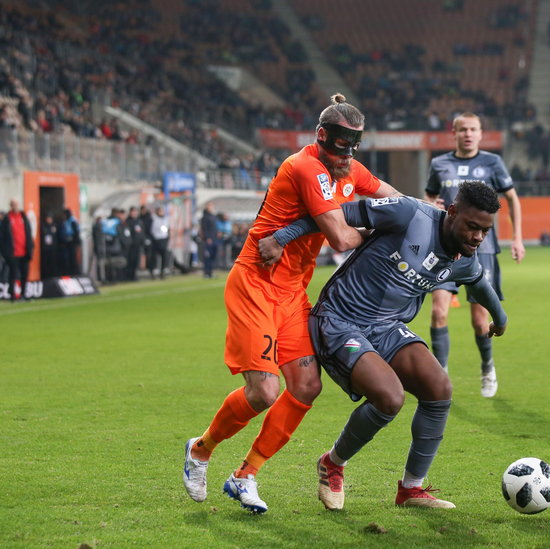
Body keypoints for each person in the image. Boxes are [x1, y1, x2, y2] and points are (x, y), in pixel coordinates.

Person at [182, 93, 401, 514]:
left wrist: (430, 215)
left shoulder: (349, 168)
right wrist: (379, 232)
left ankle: (244, 476)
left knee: (306, 386)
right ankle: (201, 449)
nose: (347, 156)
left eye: (354, 147)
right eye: (340, 146)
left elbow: (394, 199)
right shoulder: (306, 167)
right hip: (256, 284)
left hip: (291, 292)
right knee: (265, 391)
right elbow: (340, 238)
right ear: (321, 136)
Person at [266, 182, 507, 510]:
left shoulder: (465, 257)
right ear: (452, 212)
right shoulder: (410, 213)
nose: (478, 237)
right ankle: (333, 463)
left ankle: (411, 489)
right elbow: (333, 216)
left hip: (388, 328)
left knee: (439, 388)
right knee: (390, 397)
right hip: (339, 319)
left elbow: (479, 283)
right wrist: (282, 237)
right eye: (472, 227)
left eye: (485, 231)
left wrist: (500, 318)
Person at [424, 112, 524, 398]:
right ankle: (440, 375)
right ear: (453, 133)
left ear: (481, 134)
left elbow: (512, 198)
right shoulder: (439, 164)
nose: (468, 134)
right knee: (438, 312)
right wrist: (432, 204)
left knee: (480, 320)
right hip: (444, 249)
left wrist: (517, 238)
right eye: (462, 129)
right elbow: (429, 198)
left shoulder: (492, 162)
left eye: (473, 129)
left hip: (483, 249)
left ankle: (487, 367)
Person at [0, 199, 34, 302]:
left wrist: (30, 247)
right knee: (13, 274)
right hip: (12, 253)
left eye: (17, 205)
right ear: (11, 206)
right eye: (14, 205)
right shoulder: (7, 219)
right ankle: (12, 295)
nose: (16, 207)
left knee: (25, 273)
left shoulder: (23, 217)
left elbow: (28, 233)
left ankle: (23, 294)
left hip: (24, 251)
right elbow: (3, 236)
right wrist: (5, 252)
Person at [148, 206, 170, 279]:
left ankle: (162, 271)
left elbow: (168, 229)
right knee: (154, 257)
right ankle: (152, 271)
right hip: (156, 239)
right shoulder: (153, 218)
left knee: (164, 256)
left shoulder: (166, 219)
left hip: (164, 239)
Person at [199, 202, 219, 279]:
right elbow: (204, 228)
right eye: (210, 206)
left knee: (213, 256)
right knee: (208, 256)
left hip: (214, 239)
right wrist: (207, 238)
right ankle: (206, 272)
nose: (211, 208)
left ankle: (211, 272)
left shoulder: (213, 216)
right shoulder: (205, 217)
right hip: (209, 240)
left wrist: (217, 233)